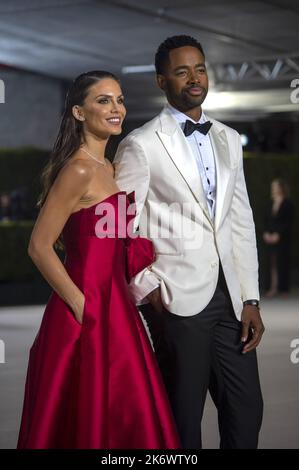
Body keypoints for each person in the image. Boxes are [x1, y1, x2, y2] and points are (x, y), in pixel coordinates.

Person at [114, 35, 264, 449]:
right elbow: (120, 229)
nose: (194, 78)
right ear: (162, 81)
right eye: (182, 71)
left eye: (199, 68)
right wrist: (149, 291)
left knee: (247, 409)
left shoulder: (229, 138)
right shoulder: (140, 144)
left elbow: (240, 220)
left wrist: (250, 297)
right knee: (183, 419)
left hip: (231, 300)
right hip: (176, 300)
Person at [17, 71, 180, 449]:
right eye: (103, 100)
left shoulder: (109, 168)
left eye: (119, 100)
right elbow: (39, 245)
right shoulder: (78, 169)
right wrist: (80, 304)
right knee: (82, 415)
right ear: (78, 111)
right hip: (84, 310)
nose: (116, 108)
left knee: (122, 411)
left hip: (117, 307)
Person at [263, 178, 294, 297]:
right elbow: (266, 220)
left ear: (281, 188)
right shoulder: (269, 203)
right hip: (270, 238)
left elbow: (288, 222)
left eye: (275, 186)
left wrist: (279, 234)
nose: (273, 189)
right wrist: (266, 233)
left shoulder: (288, 204)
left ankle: (283, 289)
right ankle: (272, 287)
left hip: (283, 239)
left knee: (282, 263)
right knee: (271, 263)